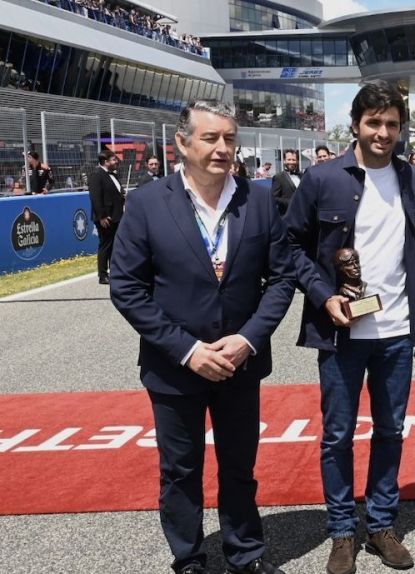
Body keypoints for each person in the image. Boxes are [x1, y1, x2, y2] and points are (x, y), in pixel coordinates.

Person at [109, 100, 295, 574]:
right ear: (182, 143)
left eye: (229, 139)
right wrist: (187, 350)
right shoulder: (149, 203)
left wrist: (248, 339)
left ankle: (244, 554)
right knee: (180, 472)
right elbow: (127, 287)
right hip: (175, 366)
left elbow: (281, 280)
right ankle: (188, 558)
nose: (221, 148)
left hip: (240, 362)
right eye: (210, 138)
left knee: (238, 466)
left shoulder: (258, 201)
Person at [284, 80, 415, 574]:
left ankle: (382, 525)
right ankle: (342, 531)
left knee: (390, 431)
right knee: (337, 435)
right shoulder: (322, 179)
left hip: (396, 331)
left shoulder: (414, 181)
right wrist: (324, 297)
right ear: (356, 125)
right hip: (342, 334)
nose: (383, 132)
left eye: (392, 124)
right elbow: (289, 248)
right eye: (374, 123)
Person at [88, 149, 125, 284]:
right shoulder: (97, 175)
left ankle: (114, 272)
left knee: (115, 245)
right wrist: (102, 216)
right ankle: (102, 275)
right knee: (105, 245)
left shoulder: (113, 175)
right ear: (105, 161)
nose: (116, 162)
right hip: (106, 217)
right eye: (114, 159)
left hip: (117, 215)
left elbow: (115, 192)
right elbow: (96, 198)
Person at [270, 149, 300, 215]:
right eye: (289, 159)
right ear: (284, 161)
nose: (291, 162)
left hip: (302, 215)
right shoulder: (278, 177)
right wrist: (290, 202)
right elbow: (273, 198)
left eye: (293, 160)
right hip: (286, 216)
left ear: (297, 161)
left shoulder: (302, 175)